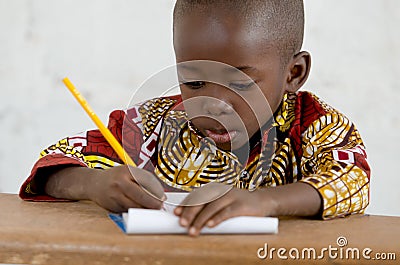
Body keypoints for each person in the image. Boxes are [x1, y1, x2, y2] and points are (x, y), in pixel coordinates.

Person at [20, 0, 370, 237]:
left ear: (294, 73)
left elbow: (353, 180)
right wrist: (93, 184)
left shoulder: (312, 125)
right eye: (195, 82)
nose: (212, 104)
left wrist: (267, 201)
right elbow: (55, 165)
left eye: (239, 82)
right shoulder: (153, 123)